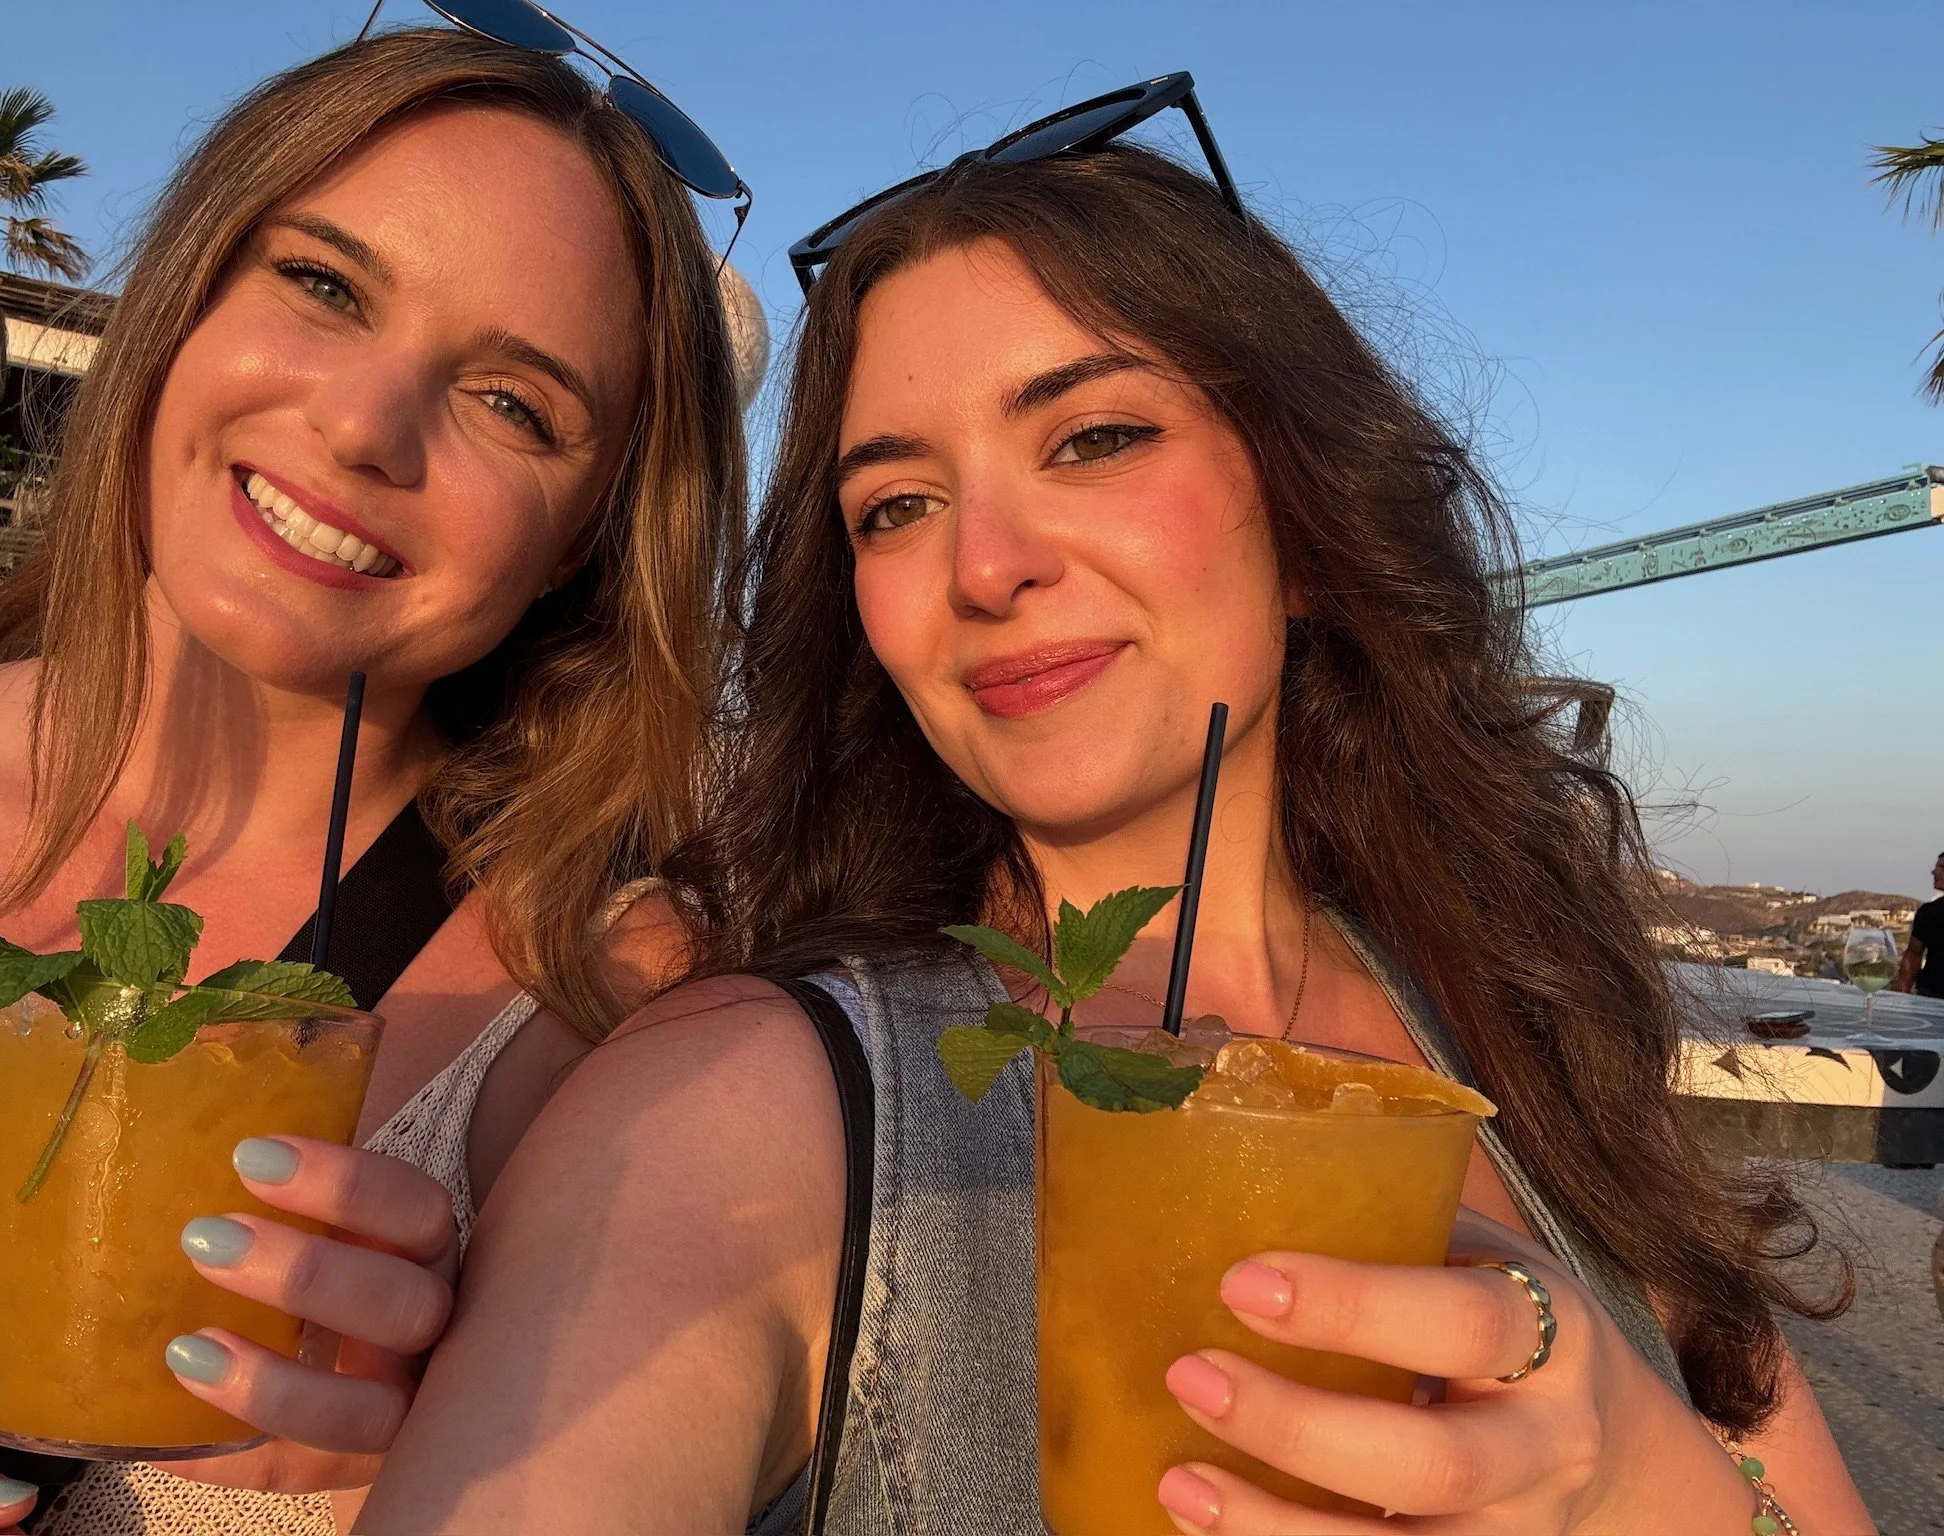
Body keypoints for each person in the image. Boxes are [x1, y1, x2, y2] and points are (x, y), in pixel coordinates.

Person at [364, 90, 1871, 1534]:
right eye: (896, 504)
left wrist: (1653, 1497)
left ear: (1303, 494)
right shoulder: (744, 1093)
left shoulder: (1521, 1021)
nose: (986, 566)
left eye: (1092, 438)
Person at [0, 26, 746, 1534]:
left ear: (584, 543)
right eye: (325, 285)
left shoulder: (610, 1012)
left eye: (513, 405)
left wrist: (450, 1458)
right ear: (184, 302)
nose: (362, 426)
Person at [1892, 851, 1944, 998]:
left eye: (1942, 867)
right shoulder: (1929, 913)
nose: (1934, 872)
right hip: (1931, 999)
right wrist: (1903, 998)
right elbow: (1913, 956)